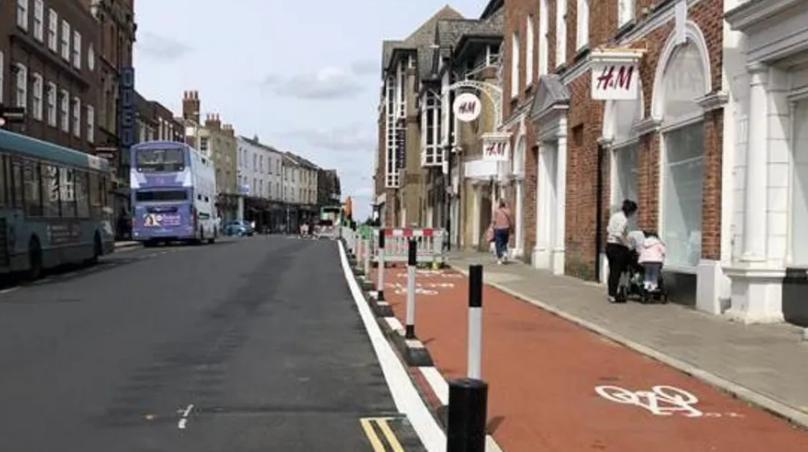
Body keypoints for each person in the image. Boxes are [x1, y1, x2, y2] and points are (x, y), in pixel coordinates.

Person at [606, 199, 638, 303]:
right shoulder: (624, 219)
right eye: (633, 212)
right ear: (630, 211)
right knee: (617, 272)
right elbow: (619, 234)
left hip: (609, 245)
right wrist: (627, 244)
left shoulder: (615, 216)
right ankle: (614, 295)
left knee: (612, 271)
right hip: (617, 248)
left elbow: (609, 229)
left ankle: (611, 293)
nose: (633, 215)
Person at [492, 199, 513, 265]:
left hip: (498, 229)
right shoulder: (508, 211)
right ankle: (505, 253)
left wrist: (492, 227)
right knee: (504, 242)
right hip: (506, 229)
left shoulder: (496, 211)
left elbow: (494, 220)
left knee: (498, 243)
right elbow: (510, 220)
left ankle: (499, 258)